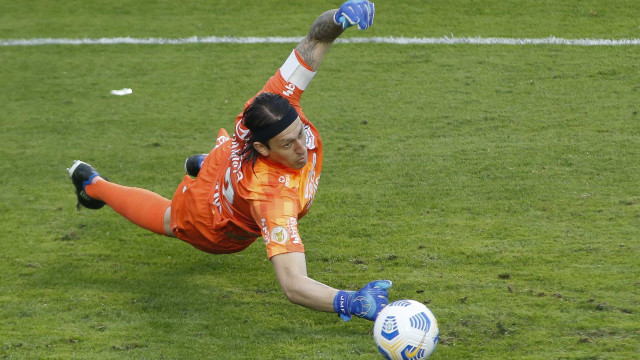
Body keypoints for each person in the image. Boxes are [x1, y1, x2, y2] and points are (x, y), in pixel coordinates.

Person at [68, 0, 391, 322]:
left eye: (300, 133)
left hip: (229, 160)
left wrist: (339, 19)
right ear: (263, 149)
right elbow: (294, 286)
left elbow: (316, 39)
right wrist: (352, 301)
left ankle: (205, 164)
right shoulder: (271, 197)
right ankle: (93, 185)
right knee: (170, 219)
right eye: (288, 143)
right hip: (213, 222)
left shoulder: (272, 104)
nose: (302, 148)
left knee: (223, 161)